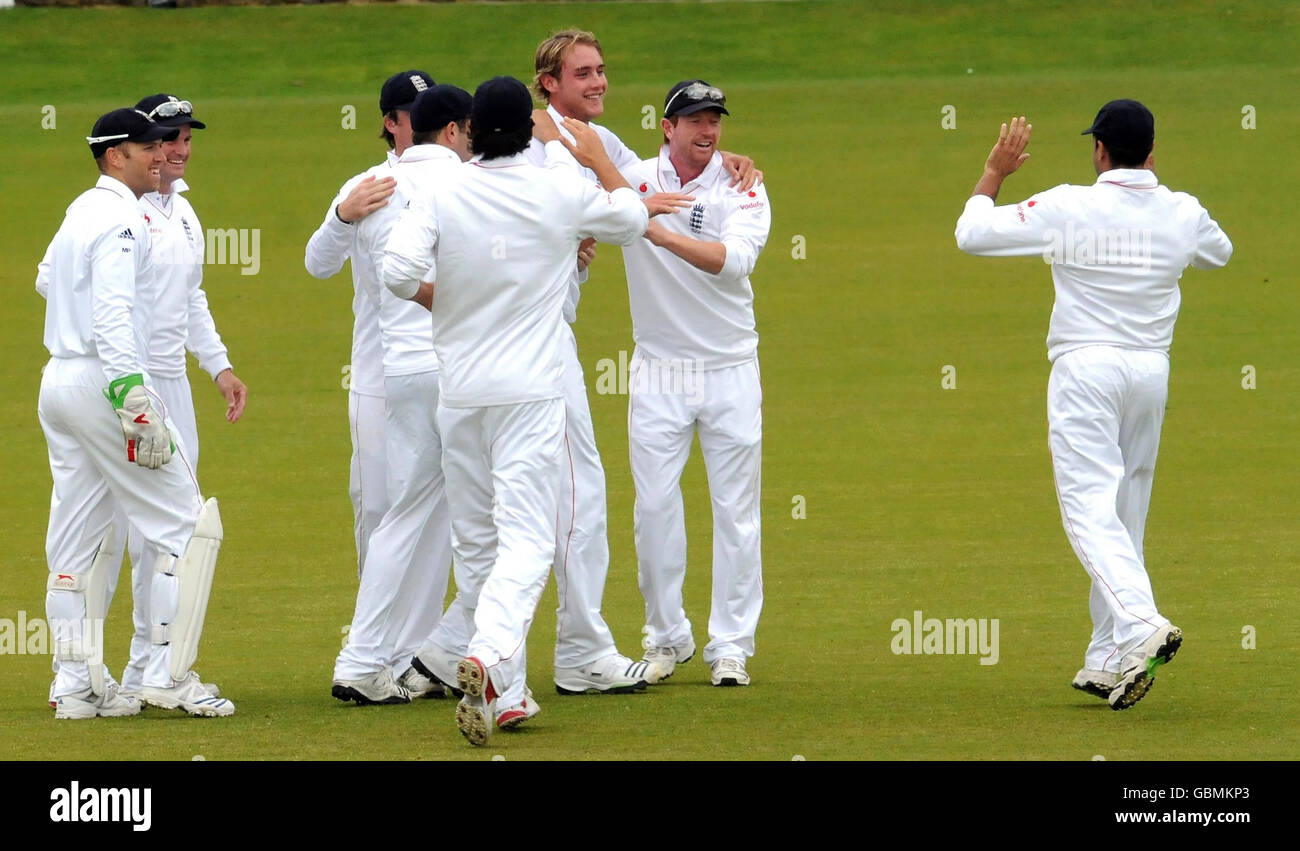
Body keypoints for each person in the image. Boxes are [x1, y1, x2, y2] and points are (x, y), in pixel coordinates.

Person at [383, 76, 689, 745]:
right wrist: (596, 161)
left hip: (459, 392)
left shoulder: (444, 189)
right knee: (527, 539)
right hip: (530, 392)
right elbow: (634, 219)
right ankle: (490, 656)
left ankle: (510, 692)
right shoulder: (559, 188)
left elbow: (397, 273)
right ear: (529, 128)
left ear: (469, 130)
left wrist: (451, 301)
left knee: (480, 545)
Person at [954, 100, 1232, 710]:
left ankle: (1139, 621)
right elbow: (1220, 252)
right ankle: (1109, 657)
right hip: (1150, 374)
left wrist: (994, 173)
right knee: (1126, 507)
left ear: (1099, 151)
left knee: (1087, 509)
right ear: (1152, 153)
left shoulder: (1066, 205)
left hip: (1086, 369)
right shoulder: (1183, 211)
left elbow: (971, 234)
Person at [38, 107, 232, 719]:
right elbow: (114, 315)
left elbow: (65, 287)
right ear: (115, 155)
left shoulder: (81, 209)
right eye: (149, 147)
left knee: (75, 540)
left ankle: (76, 686)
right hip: (108, 381)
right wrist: (133, 399)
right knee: (186, 527)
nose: (163, 155)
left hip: (60, 381)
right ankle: (168, 679)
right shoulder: (123, 220)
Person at [617, 80, 771, 687]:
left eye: (716, 121)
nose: (708, 131)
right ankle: (664, 636)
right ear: (667, 126)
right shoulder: (632, 179)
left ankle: (730, 644)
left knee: (736, 512)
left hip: (731, 365)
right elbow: (560, 137)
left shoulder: (744, 184)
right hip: (659, 370)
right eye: (695, 120)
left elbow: (732, 262)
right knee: (653, 507)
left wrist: (651, 230)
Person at [331, 84, 472, 707]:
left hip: (406, 374)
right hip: (459, 370)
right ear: (455, 131)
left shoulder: (391, 189)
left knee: (406, 516)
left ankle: (373, 659)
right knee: (512, 522)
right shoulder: (467, 184)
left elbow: (396, 277)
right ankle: (450, 659)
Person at [305, 70, 430, 581]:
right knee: (376, 502)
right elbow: (318, 264)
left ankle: (432, 646)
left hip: (449, 365)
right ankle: (373, 639)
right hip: (377, 374)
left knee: (446, 510)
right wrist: (342, 215)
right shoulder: (364, 187)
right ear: (389, 123)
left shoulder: (461, 180)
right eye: (413, 115)